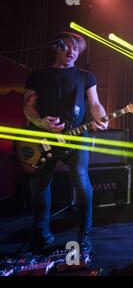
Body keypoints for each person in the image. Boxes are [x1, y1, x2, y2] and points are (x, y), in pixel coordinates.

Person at [23, 32, 108, 254]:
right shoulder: (38, 75)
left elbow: (95, 104)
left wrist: (102, 117)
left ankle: (84, 234)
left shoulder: (85, 76)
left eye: (77, 50)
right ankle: (41, 234)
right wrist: (41, 122)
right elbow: (28, 106)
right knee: (39, 185)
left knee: (81, 180)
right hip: (43, 138)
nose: (72, 52)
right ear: (56, 47)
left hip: (77, 135)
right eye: (68, 47)